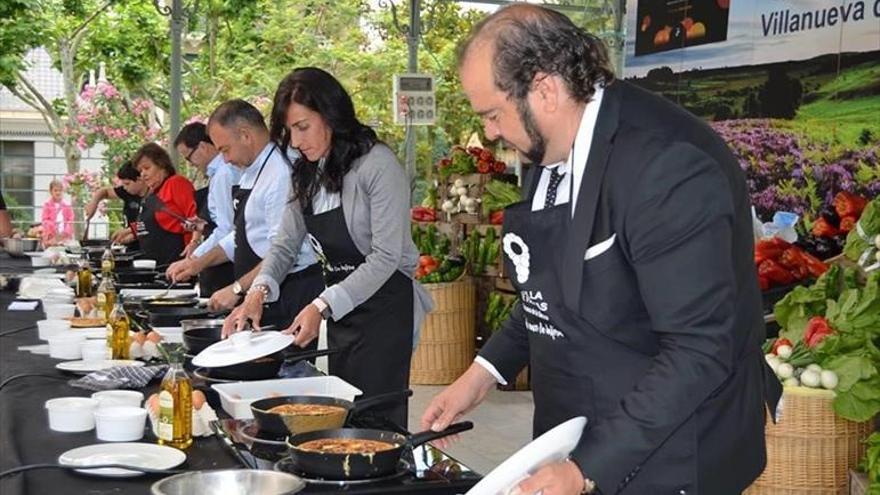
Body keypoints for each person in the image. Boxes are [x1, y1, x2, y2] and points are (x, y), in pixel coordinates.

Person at [421, 5, 781, 495]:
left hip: (668, 449)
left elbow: (698, 349)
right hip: (577, 426)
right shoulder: (548, 148)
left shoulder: (666, 165)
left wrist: (586, 468)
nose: (489, 132)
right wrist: (483, 373)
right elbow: (545, 283)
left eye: (492, 114)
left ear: (544, 89)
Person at [223, 67, 433, 428]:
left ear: (332, 114)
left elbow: (386, 257)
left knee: (377, 423)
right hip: (343, 315)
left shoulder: (377, 165)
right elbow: (285, 244)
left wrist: (321, 305)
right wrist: (257, 291)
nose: (296, 141)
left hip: (385, 312)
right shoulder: (306, 174)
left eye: (303, 127)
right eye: (289, 131)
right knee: (344, 415)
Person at [166, 100, 323, 328]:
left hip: (290, 294)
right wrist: (196, 264)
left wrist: (238, 288)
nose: (226, 160)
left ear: (245, 135)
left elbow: (285, 251)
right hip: (261, 293)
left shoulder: (280, 174)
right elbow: (241, 235)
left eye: (225, 150)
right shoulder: (251, 170)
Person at [173, 122, 242, 297]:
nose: (190, 164)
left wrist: (194, 259)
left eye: (188, 157)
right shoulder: (218, 174)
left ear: (203, 147)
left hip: (225, 267)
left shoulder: (224, 174)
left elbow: (227, 229)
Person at [132, 143, 197, 268]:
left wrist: (192, 254)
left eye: (147, 168)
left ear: (161, 165)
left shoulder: (176, 183)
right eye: (140, 171)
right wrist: (130, 232)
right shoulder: (152, 193)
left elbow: (194, 219)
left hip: (175, 264)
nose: (143, 175)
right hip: (153, 265)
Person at [84, 161, 148, 249]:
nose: (124, 187)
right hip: (130, 247)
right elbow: (105, 192)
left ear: (140, 180)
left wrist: (131, 233)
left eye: (127, 184)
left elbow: (149, 224)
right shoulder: (127, 192)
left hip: (146, 248)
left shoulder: (152, 198)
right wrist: (93, 203)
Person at [40, 179, 74, 246]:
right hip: (52, 236)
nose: (58, 192)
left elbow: (71, 220)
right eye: (55, 190)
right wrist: (53, 229)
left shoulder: (67, 205)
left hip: (64, 237)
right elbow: (45, 220)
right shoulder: (47, 205)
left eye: (60, 190)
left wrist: (65, 232)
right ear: (51, 191)